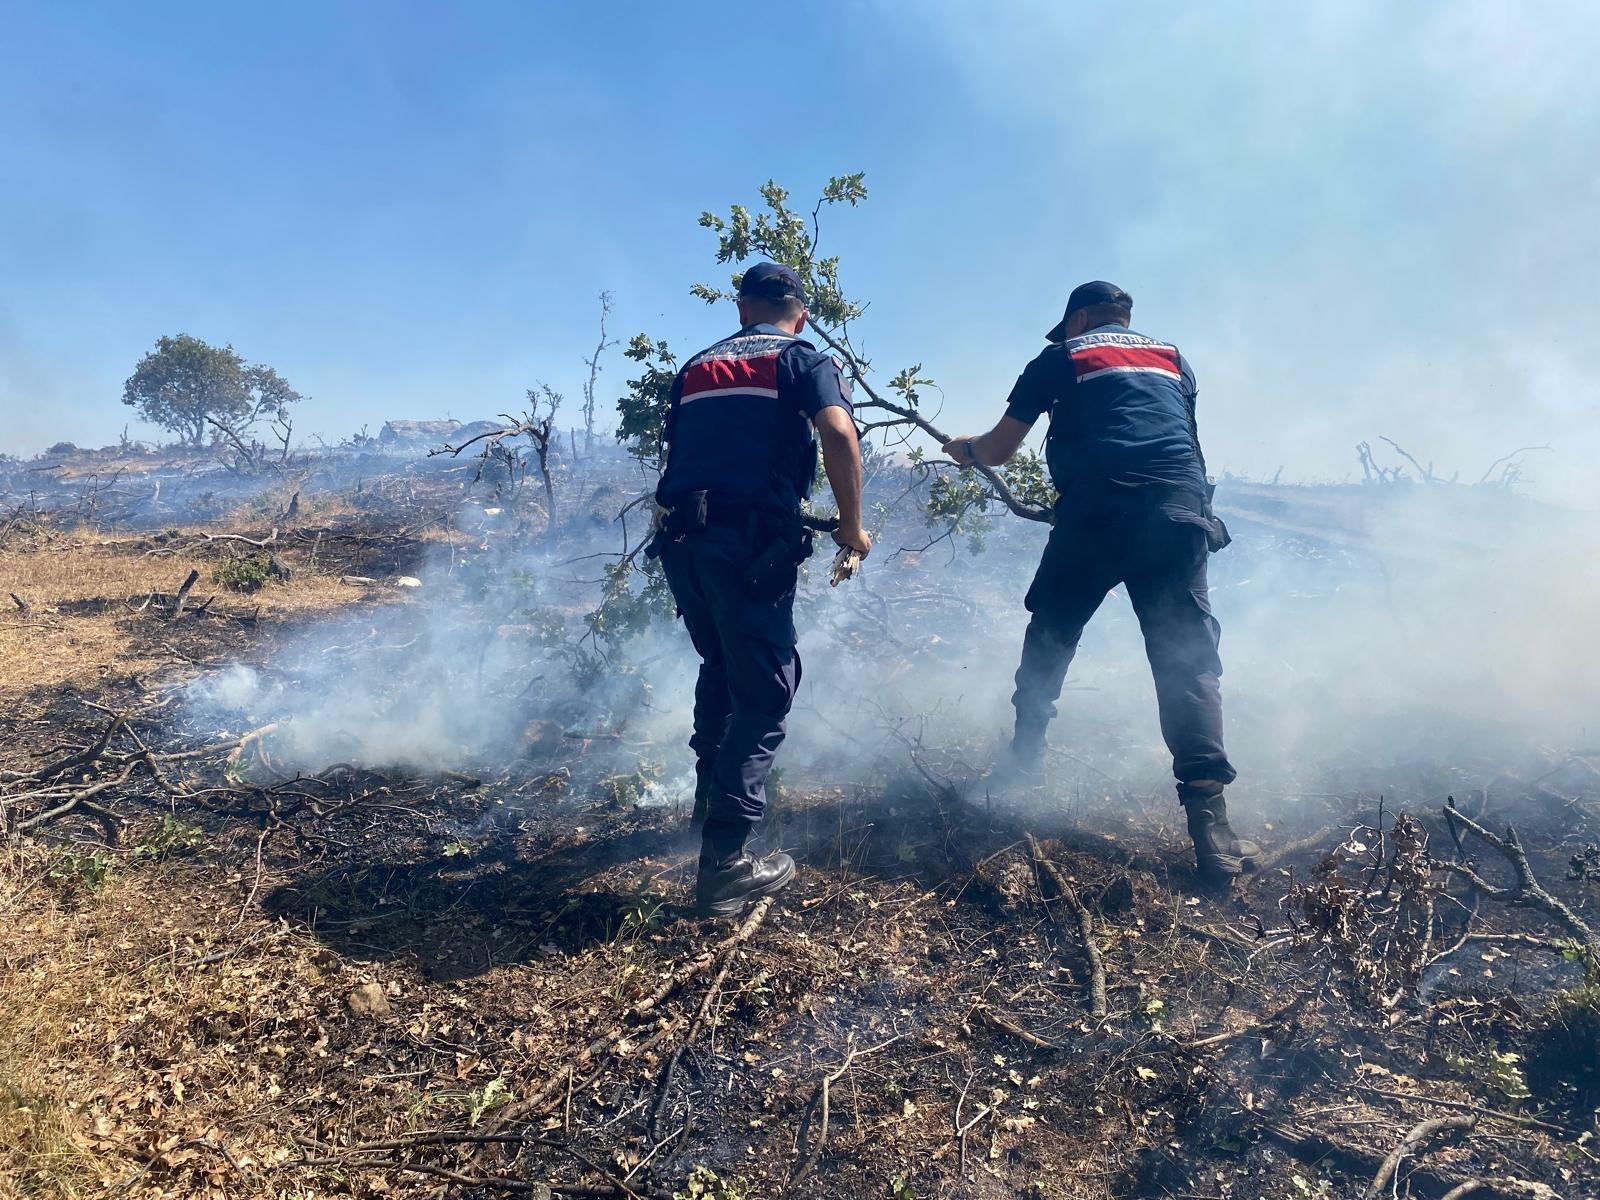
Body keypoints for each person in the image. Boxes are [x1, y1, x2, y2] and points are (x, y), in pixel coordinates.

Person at [941, 281, 1258, 882]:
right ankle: (1212, 827)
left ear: (1079, 317)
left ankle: (1023, 761)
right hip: (1178, 515)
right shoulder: (1172, 358)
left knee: (1051, 634)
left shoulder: (1063, 356)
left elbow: (1001, 449)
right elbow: (1177, 439)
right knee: (1186, 661)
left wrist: (966, 450)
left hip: (1097, 518)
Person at [651, 261, 872, 916]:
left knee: (720, 666)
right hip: (746, 549)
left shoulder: (695, 367)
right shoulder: (802, 359)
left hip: (681, 544)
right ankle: (724, 868)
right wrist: (852, 529)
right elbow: (837, 432)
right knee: (767, 690)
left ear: (743, 309)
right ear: (798, 312)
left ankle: (704, 815)